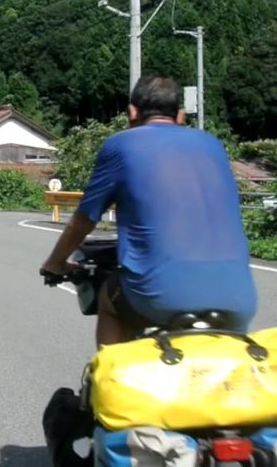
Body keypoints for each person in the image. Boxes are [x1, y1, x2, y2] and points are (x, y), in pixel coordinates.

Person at [41, 75, 258, 346]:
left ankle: (112, 370)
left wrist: (55, 263)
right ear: (180, 116)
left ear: (132, 112)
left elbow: (83, 221)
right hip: (239, 299)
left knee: (109, 297)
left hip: (160, 295)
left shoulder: (120, 145)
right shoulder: (213, 144)